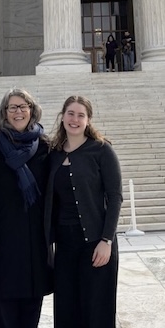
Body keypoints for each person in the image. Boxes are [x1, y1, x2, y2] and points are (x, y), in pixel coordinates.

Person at [45, 96, 122, 328]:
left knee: (97, 310)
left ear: (88, 120)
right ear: (63, 116)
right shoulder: (54, 154)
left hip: (96, 243)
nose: (75, 119)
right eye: (70, 113)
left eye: (80, 115)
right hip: (66, 246)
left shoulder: (101, 150)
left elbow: (115, 196)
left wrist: (106, 240)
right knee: (67, 310)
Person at [0, 88, 53, 328]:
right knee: (1, 316)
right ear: (4, 112)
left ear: (32, 111)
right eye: (13, 107)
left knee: (30, 317)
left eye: (24, 106)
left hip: (33, 247)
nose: (18, 111)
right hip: (1, 246)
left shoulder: (45, 147)